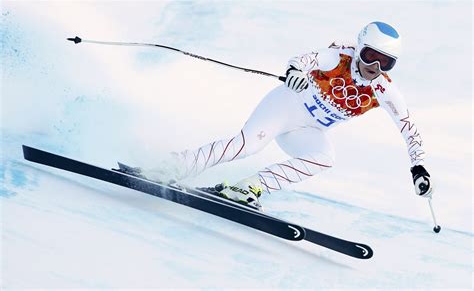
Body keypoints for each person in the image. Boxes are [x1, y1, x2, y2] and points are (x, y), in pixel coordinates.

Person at [142, 21, 434, 211]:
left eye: (387, 62)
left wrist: (418, 168)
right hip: (286, 107)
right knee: (247, 146)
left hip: (307, 130)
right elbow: (307, 59)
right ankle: (172, 167)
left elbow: (408, 129)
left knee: (324, 157)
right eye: (371, 55)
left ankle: (247, 188)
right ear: (360, 48)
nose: (376, 66)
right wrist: (295, 72)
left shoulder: (384, 89)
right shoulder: (340, 57)